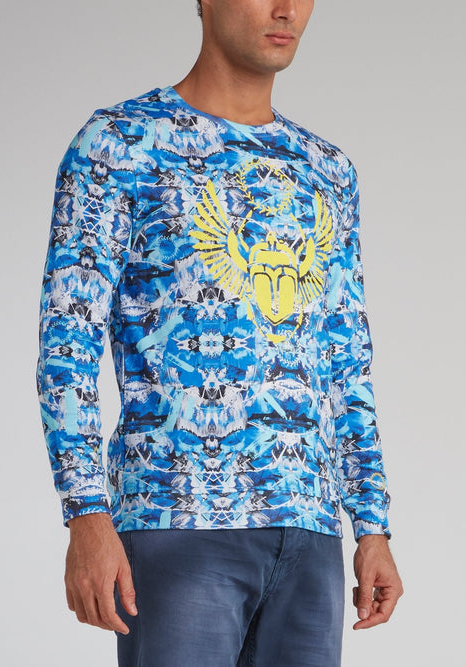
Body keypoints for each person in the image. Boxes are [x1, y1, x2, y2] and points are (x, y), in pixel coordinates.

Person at [37, 1, 403, 665]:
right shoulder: (121, 143)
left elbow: (345, 356)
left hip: (311, 534)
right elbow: (69, 338)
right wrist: (85, 511)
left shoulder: (329, 170)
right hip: (178, 523)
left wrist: (371, 524)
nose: (286, 9)